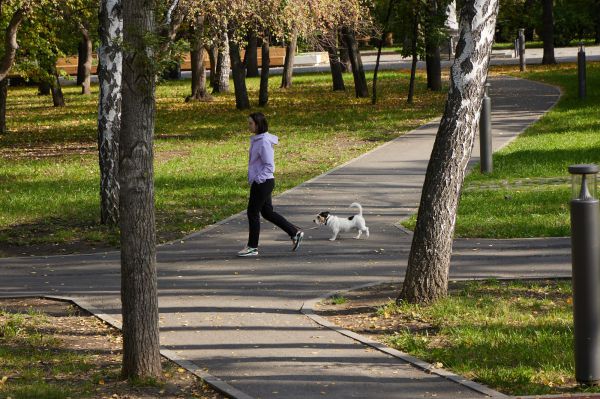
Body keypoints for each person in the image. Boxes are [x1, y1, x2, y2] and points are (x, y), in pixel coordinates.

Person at [237, 112, 304, 257]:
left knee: (252, 212)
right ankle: (295, 233)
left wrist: (258, 179)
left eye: (250, 123)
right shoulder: (258, 139)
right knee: (267, 212)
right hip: (263, 181)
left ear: (258, 124)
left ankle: (252, 247)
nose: (248, 126)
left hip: (263, 182)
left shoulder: (263, 142)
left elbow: (269, 165)